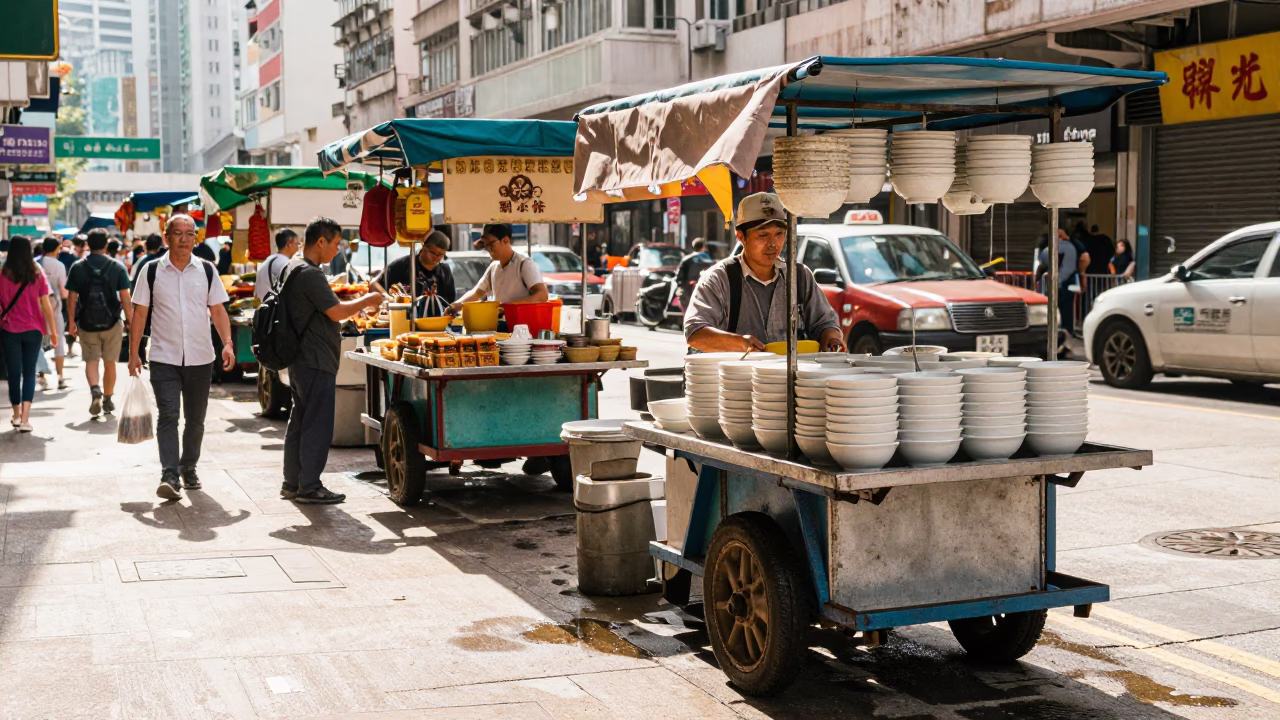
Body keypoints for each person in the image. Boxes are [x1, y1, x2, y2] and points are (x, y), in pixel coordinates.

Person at [128, 215, 235, 500]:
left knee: (196, 420)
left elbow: (219, 310)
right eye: (178, 233)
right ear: (167, 237)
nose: (184, 239)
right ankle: (170, 474)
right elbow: (139, 313)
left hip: (201, 357)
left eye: (190, 233)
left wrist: (227, 343)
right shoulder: (151, 271)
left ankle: (189, 466)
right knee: (169, 415)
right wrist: (134, 353)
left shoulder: (207, 271)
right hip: (164, 356)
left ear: (196, 238)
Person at [279, 218, 384, 504]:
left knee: (300, 421)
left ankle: (292, 483)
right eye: (336, 244)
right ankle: (310, 486)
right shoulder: (310, 274)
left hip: (301, 358)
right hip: (314, 359)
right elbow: (336, 313)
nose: (338, 250)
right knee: (317, 423)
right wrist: (367, 300)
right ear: (321, 242)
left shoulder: (292, 267)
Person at [684, 193, 845, 353]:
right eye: (762, 235)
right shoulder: (718, 279)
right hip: (738, 378)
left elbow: (825, 323)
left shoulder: (800, 277)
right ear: (741, 236)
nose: (772, 244)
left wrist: (831, 338)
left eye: (779, 234)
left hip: (793, 377)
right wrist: (740, 343)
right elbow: (695, 334)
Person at [67, 228, 133, 417]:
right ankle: (108, 398)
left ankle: (95, 389)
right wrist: (130, 320)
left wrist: (71, 322)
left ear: (88, 244)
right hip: (112, 322)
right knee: (110, 362)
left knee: (91, 360)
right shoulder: (118, 267)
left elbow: (71, 298)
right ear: (106, 244)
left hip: (86, 323)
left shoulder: (78, 267)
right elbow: (125, 297)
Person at [0, 236, 58, 433]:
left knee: (14, 373)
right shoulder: (37, 273)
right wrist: (53, 331)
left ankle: (16, 415)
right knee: (29, 372)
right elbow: (46, 304)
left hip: (9, 329)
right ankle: (25, 418)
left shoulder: (2, 273)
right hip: (34, 330)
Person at [448, 223, 547, 313]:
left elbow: (542, 295)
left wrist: (508, 307)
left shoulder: (524, 264)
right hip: (499, 325)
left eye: (491, 244)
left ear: (505, 240)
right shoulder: (494, 267)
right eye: (485, 245)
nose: (487, 248)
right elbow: (476, 293)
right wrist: (454, 306)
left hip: (521, 326)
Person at [1036, 227, 1089, 357]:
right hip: (1055, 285)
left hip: (1062, 286)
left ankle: (1061, 344)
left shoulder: (1073, 244)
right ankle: (1056, 344)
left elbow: (1085, 258)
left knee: (1063, 314)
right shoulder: (1050, 243)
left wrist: (1081, 274)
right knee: (1058, 314)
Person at [371, 231, 456, 304]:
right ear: (423, 248)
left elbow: (450, 302)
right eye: (433, 253)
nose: (437, 257)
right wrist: (389, 298)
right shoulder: (403, 264)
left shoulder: (445, 271)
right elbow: (374, 284)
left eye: (441, 254)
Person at [36, 237, 70, 390]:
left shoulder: (35, 263)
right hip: (54, 307)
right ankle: (61, 377)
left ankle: (41, 375)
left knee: (37, 342)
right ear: (57, 249)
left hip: (36, 308)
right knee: (59, 341)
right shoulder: (59, 265)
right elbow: (64, 292)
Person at [254, 229, 300, 302]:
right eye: (297, 244)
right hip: (272, 309)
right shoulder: (283, 263)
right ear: (289, 244)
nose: (298, 248)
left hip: (264, 307)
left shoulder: (271, 259)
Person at [675, 237, 714, 315]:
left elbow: (679, 277)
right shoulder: (708, 259)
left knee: (687, 314)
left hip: (687, 291)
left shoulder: (686, 259)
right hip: (704, 292)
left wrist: (681, 286)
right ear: (703, 247)